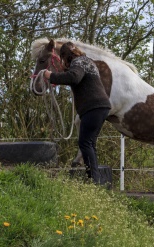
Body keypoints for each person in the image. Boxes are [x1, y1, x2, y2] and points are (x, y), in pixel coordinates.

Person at [43, 42, 111, 185]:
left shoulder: (78, 62)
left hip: (93, 107)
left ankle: (94, 180)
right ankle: (95, 179)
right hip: (101, 106)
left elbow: (74, 77)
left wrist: (51, 75)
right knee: (90, 144)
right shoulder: (88, 62)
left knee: (85, 143)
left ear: (65, 56)